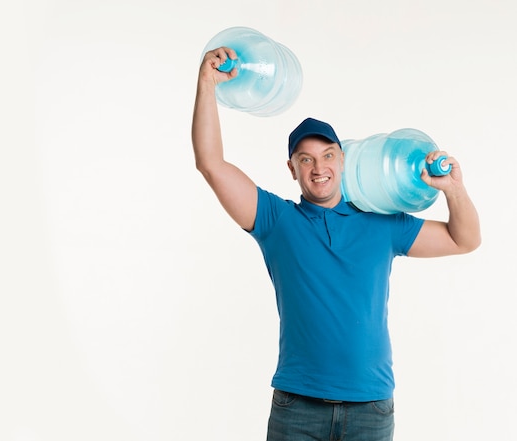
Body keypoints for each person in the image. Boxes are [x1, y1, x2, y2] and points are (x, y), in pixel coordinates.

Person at [191, 46, 481, 441]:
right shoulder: (276, 220)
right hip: (298, 407)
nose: (318, 167)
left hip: (371, 409)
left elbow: (463, 239)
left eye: (327, 155)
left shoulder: (382, 223)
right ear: (291, 169)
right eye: (305, 159)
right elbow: (211, 162)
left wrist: (453, 189)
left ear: (343, 160)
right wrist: (207, 83)